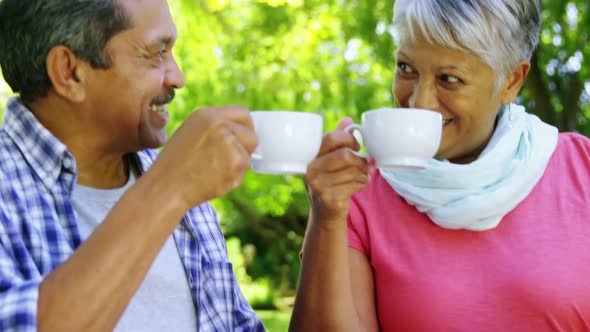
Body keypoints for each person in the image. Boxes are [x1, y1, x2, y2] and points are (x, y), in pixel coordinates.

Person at [291, 0, 590, 331]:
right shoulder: (357, 189)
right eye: (406, 68)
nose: (419, 102)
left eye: (448, 78)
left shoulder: (582, 170)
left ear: (511, 81)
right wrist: (327, 218)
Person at [0, 0, 265, 331]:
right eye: (157, 53)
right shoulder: (173, 184)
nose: (178, 78)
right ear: (69, 72)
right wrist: (170, 188)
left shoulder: (178, 187)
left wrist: (325, 220)